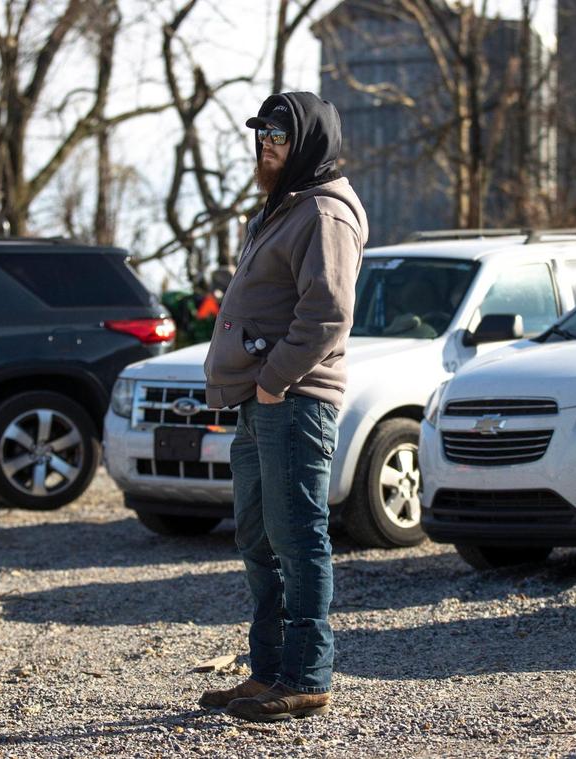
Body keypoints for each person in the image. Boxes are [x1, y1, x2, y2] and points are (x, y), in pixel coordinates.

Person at [200, 92, 368, 722]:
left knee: (297, 538)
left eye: (278, 133)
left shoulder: (324, 212)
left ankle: (306, 676)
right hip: (258, 400)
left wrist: (273, 381)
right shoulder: (282, 206)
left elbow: (326, 314)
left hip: (294, 401)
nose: (266, 142)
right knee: (257, 537)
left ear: (310, 142)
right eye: (261, 132)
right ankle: (267, 671)